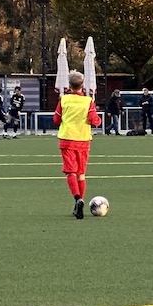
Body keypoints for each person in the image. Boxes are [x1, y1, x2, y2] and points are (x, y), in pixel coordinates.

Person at [53, 69, 101, 219]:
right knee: (81, 174)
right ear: (82, 85)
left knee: (70, 172)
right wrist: (96, 119)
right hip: (83, 140)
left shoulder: (64, 100)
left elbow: (56, 120)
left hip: (67, 139)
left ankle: (77, 199)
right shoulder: (88, 101)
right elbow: (95, 121)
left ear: (69, 85)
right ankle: (80, 201)